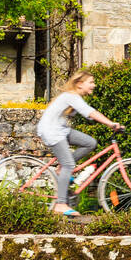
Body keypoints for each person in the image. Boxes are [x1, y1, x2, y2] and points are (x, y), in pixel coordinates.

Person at [37, 70, 123, 217]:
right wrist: (110, 123)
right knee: (69, 165)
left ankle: (61, 169)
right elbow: (90, 112)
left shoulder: (74, 96)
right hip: (52, 131)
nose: (94, 85)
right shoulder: (71, 96)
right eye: (91, 82)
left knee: (90, 143)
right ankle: (60, 204)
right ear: (80, 84)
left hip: (61, 130)